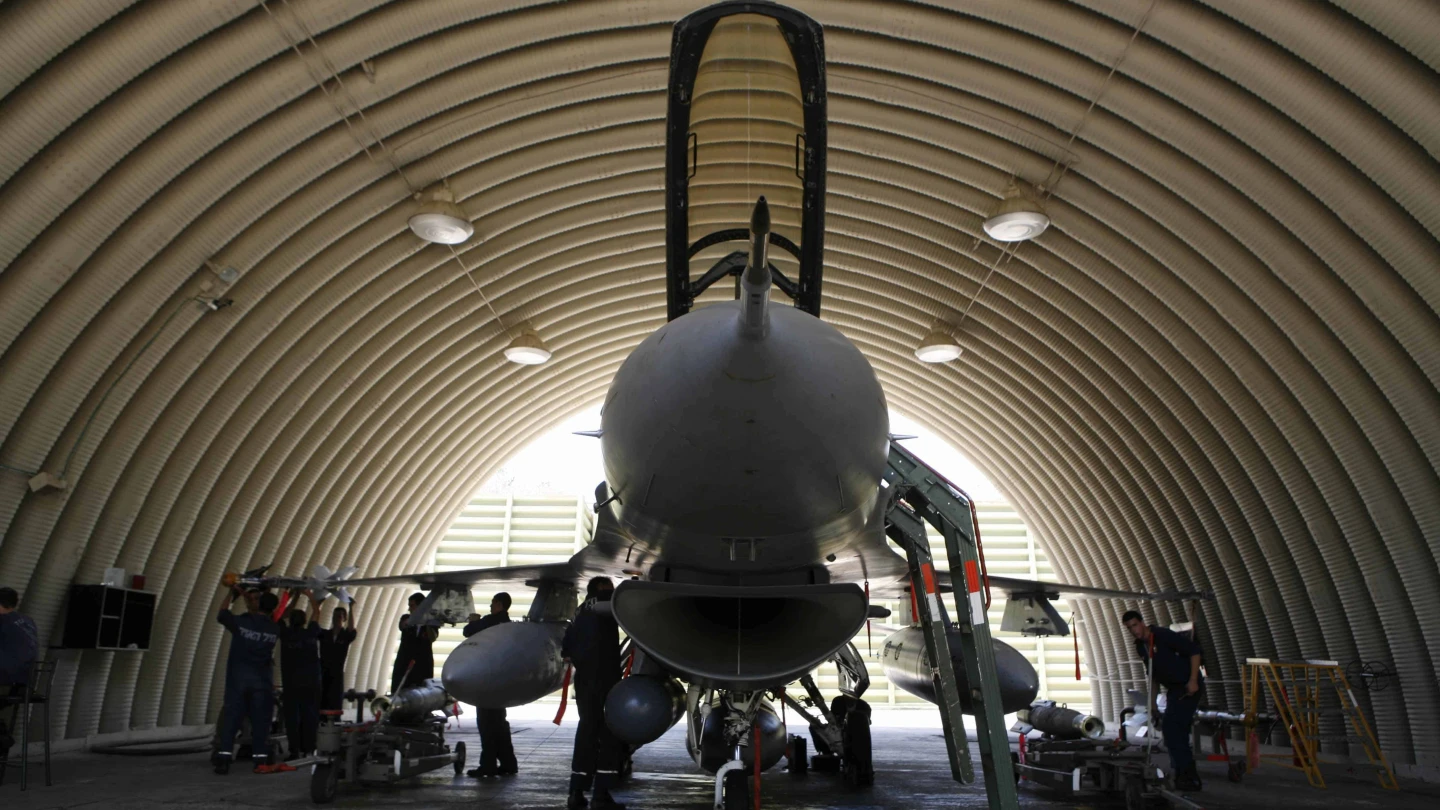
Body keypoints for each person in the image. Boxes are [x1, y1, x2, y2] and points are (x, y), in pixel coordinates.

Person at [214, 584, 293, 775]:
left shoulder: (242, 622)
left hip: (238, 680)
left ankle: (224, 760)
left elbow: (222, 614)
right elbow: (283, 614)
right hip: (261, 683)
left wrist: (231, 593)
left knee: (232, 721)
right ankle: (260, 761)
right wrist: (290, 595)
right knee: (261, 723)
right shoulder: (274, 629)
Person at [1123, 609, 1204, 791]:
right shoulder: (1140, 646)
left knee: (1173, 728)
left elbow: (1194, 652)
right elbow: (1152, 675)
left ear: (1142, 622)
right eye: (1129, 628)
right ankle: (1186, 775)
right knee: (1173, 731)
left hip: (1188, 686)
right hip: (1174, 690)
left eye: (1135, 625)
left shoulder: (1163, 635)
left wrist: (1192, 681)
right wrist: (1151, 703)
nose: (1133, 630)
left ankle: (1187, 775)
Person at [562, 577, 626, 810]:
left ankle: (576, 791)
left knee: (587, 730)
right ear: (601, 589)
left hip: (585, 679)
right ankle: (601, 793)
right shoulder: (606, 603)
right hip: (605, 677)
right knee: (609, 731)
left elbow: (566, 649)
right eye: (609, 588)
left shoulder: (580, 610)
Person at [463, 592, 517, 778]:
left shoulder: (490, 621)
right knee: (500, 724)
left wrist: (472, 621)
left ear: (500, 605)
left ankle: (488, 766)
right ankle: (508, 763)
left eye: (493, 603)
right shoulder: (508, 625)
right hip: (501, 681)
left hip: (487, 680)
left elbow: (468, 632)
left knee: (486, 724)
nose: (490, 606)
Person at [278, 591, 323, 760]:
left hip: (291, 683)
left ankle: (294, 750)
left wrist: (294, 596)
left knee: (292, 718)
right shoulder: (310, 632)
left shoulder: (285, 634)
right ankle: (309, 749)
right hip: (311, 682)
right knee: (310, 716)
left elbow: (281, 613)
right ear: (305, 621)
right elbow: (317, 612)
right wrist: (309, 595)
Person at [0, 587, 40, 758]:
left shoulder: (2, 622)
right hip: (25, 685)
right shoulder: (27, 621)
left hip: (6, 684)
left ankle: (1, 737)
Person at [390, 592, 437, 694]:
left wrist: (426, 621)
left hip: (423, 664)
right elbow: (403, 625)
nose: (409, 609)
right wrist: (416, 618)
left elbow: (433, 637)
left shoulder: (431, 622)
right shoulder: (406, 618)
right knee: (399, 690)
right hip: (404, 663)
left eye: (412, 606)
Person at [319, 601, 357, 713]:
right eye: (335, 616)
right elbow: (313, 626)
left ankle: (334, 718)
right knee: (322, 698)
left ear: (344, 619)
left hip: (337, 672)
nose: (336, 619)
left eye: (339, 616)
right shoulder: (325, 634)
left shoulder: (345, 636)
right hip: (323, 671)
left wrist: (351, 608)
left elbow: (351, 629)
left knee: (335, 699)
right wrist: (317, 606)